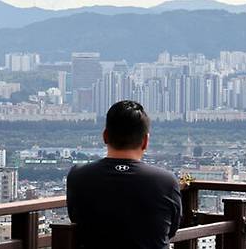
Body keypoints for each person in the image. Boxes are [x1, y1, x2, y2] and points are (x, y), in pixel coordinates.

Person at [66, 100, 182, 249]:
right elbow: (172, 229)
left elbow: (75, 217)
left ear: (105, 136)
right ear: (146, 141)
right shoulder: (166, 181)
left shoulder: (79, 176)